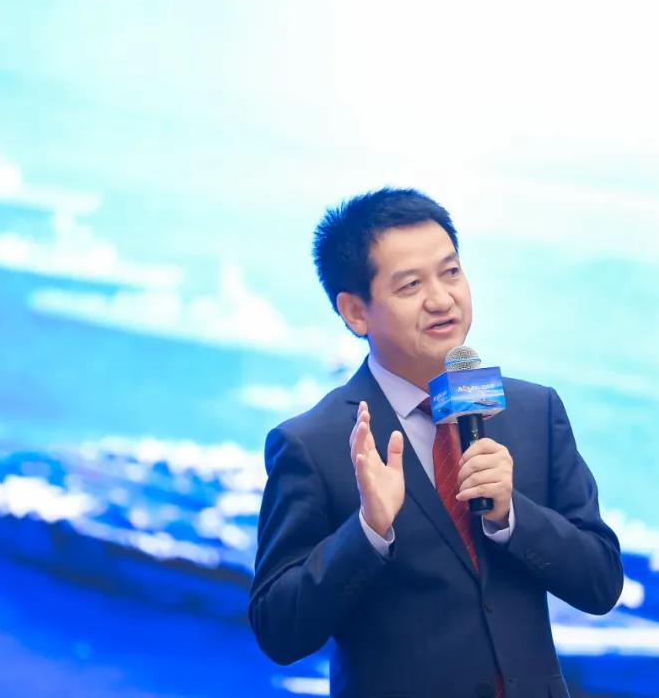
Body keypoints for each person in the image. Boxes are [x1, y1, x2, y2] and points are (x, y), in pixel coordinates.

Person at [248, 188, 623, 698]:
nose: (442, 299)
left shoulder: (535, 412)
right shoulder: (314, 443)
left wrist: (513, 515)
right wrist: (367, 531)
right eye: (411, 285)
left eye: (451, 272)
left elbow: (602, 583)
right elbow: (278, 629)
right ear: (356, 312)